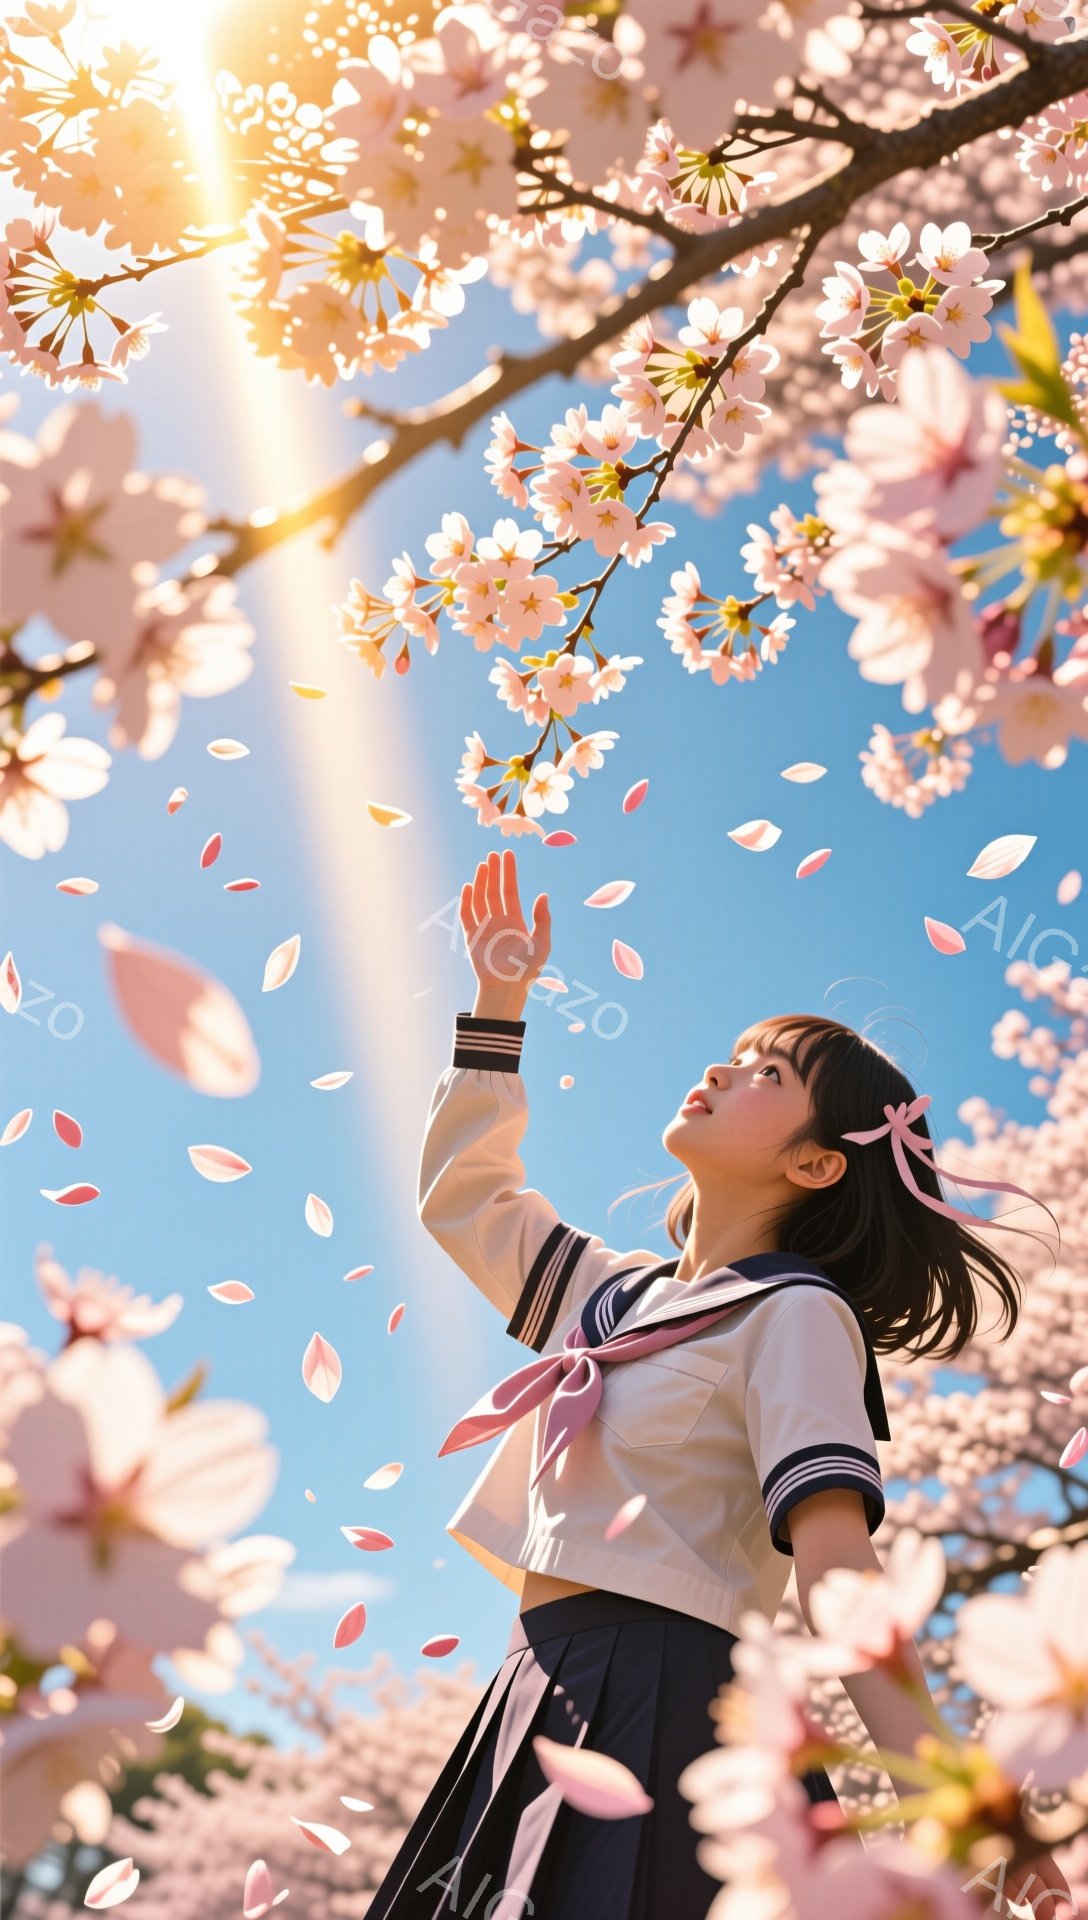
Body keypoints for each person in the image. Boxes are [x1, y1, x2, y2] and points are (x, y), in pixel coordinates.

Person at [366, 848, 1071, 1920]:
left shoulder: (797, 1314)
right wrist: (499, 1000)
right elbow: (464, 1199)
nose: (724, 1070)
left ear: (816, 1164)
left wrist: (957, 1802)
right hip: (530, 1685)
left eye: (768, 1075)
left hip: (666, 1703)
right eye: (737, 1057)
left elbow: (836, 1571)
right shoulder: (613, 1296)